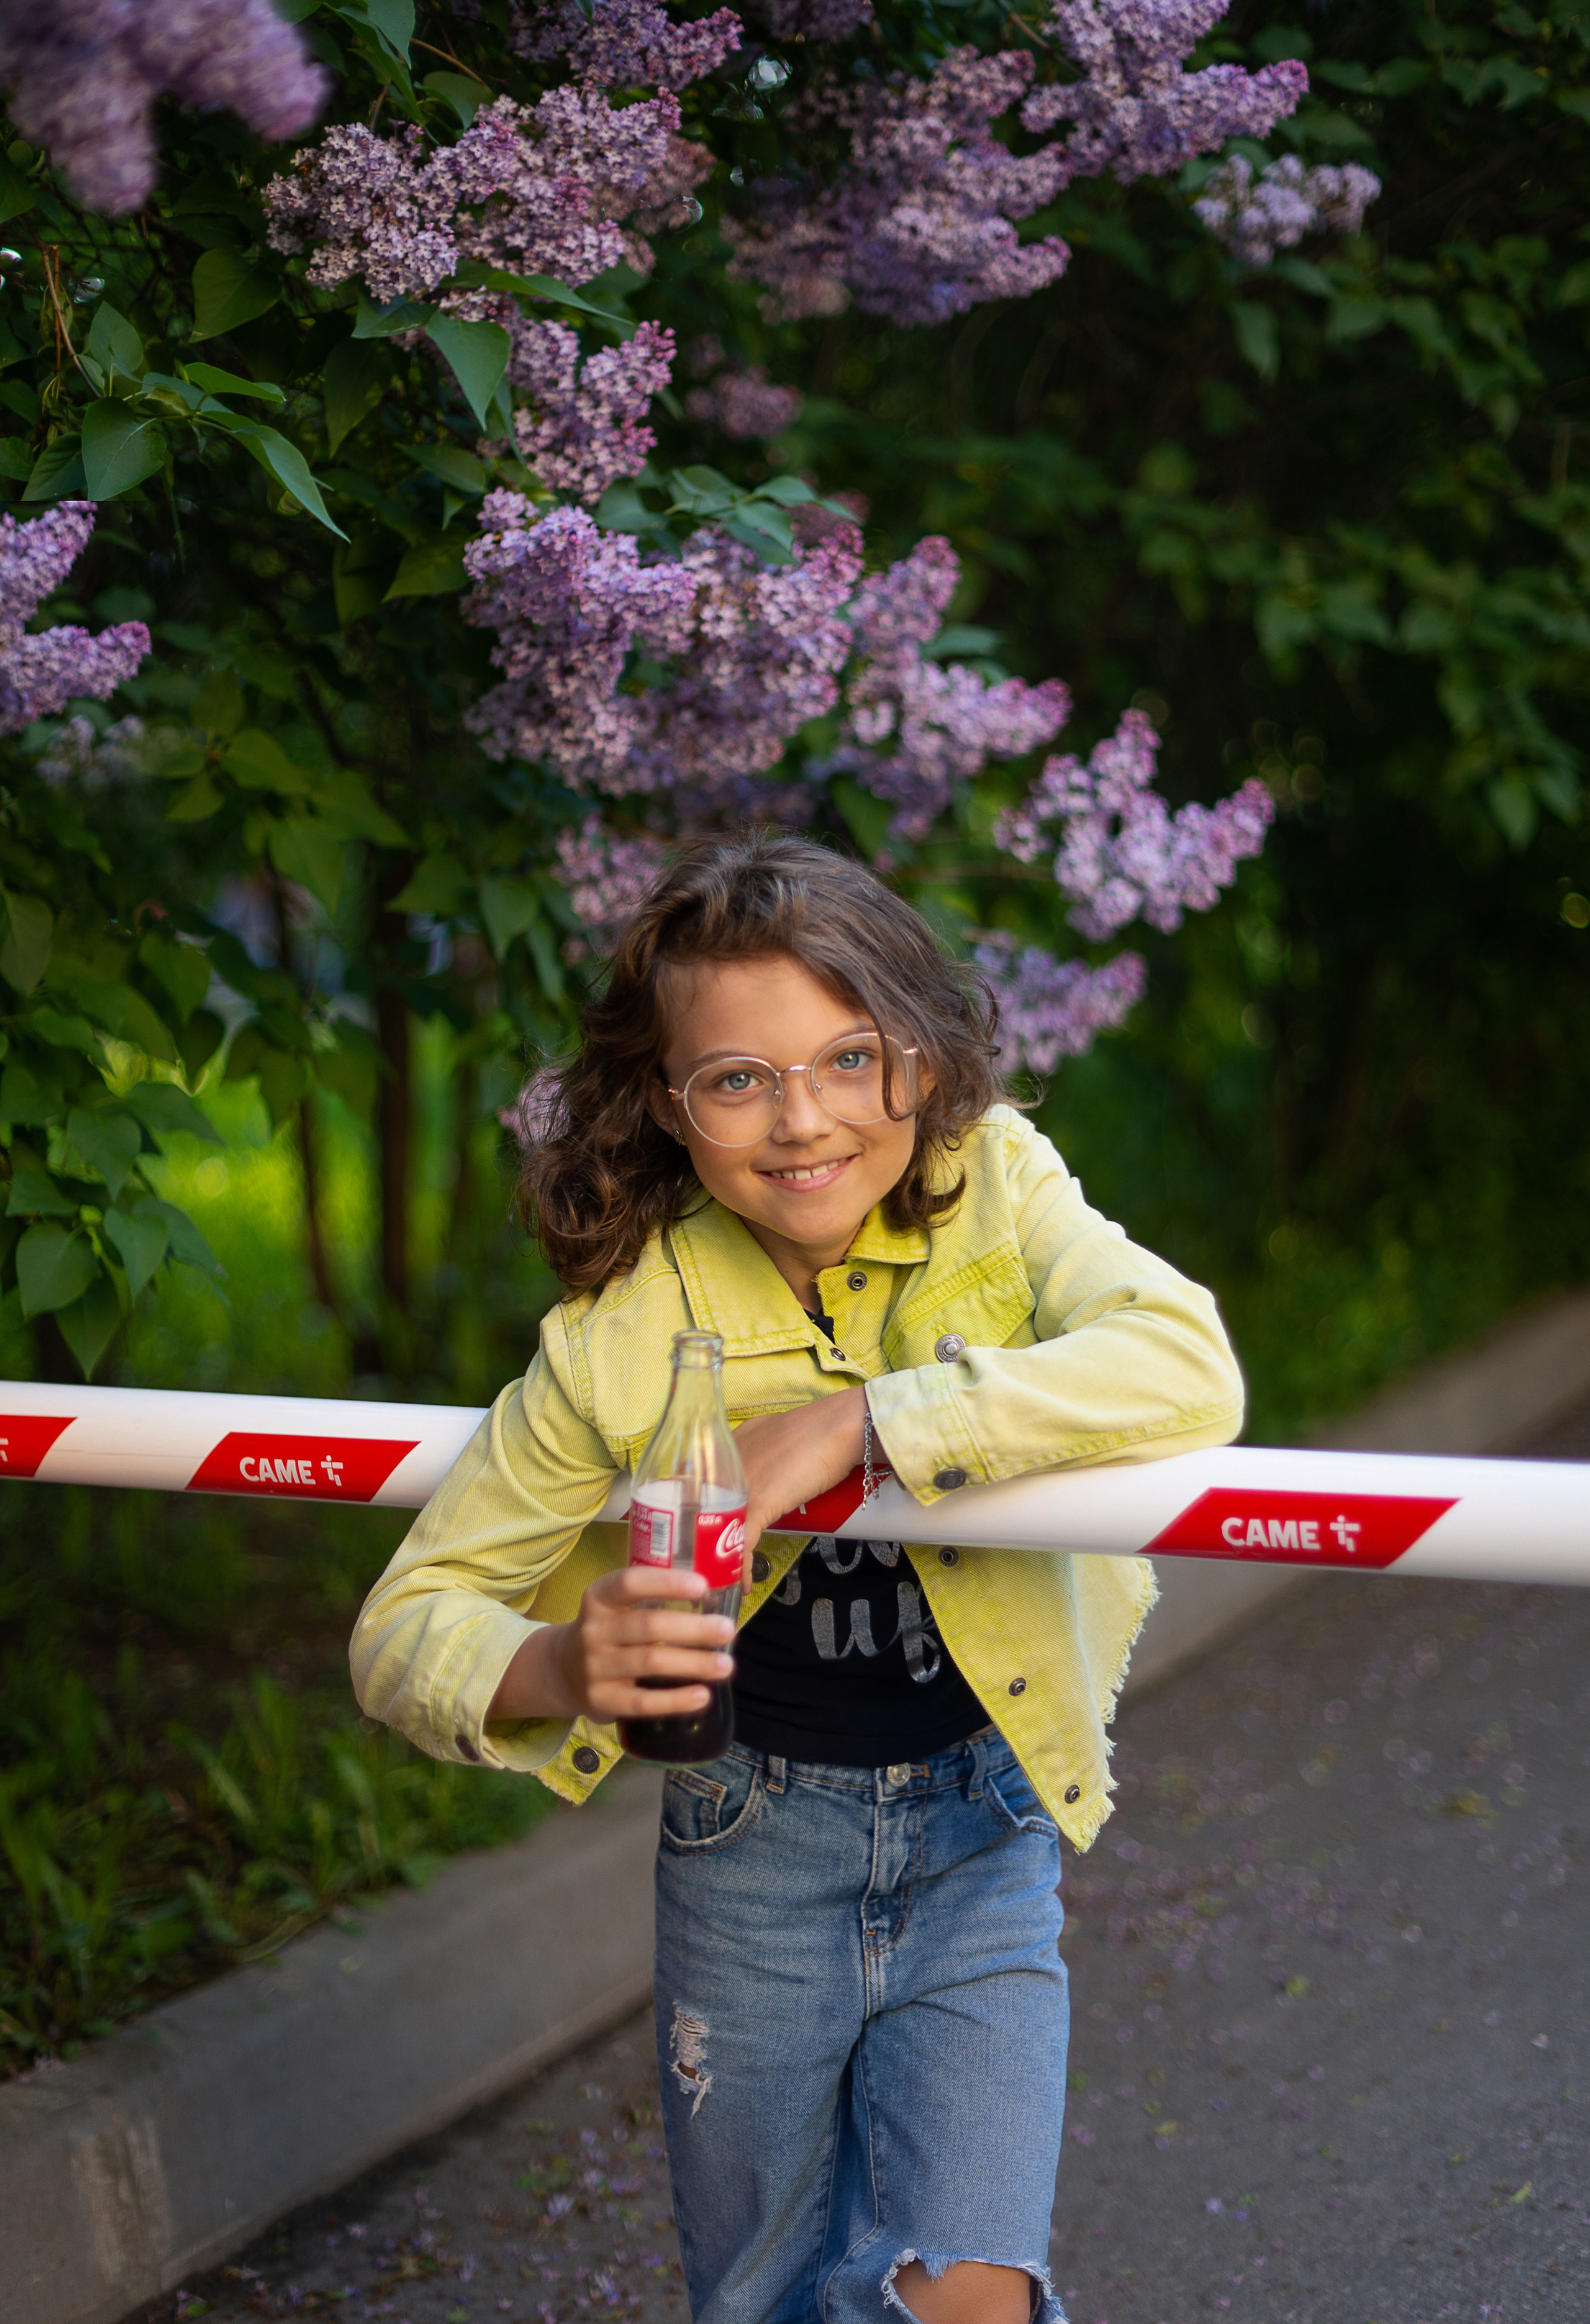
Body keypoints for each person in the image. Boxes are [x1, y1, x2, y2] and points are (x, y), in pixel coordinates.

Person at [352, 833, 1245, 2324]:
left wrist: (863, 1424)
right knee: (760, 2293)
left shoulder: (994, 1185)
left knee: (969, 2289)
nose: (803, 1119)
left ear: (920, 1052)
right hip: (750, 1845)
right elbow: (404, 1629)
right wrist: (567, 1663)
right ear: (666, 1102)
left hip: (985, 1831)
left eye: (847, 1057)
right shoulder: (621, 1337)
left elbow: (1182, 1362)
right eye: (737, 1079)